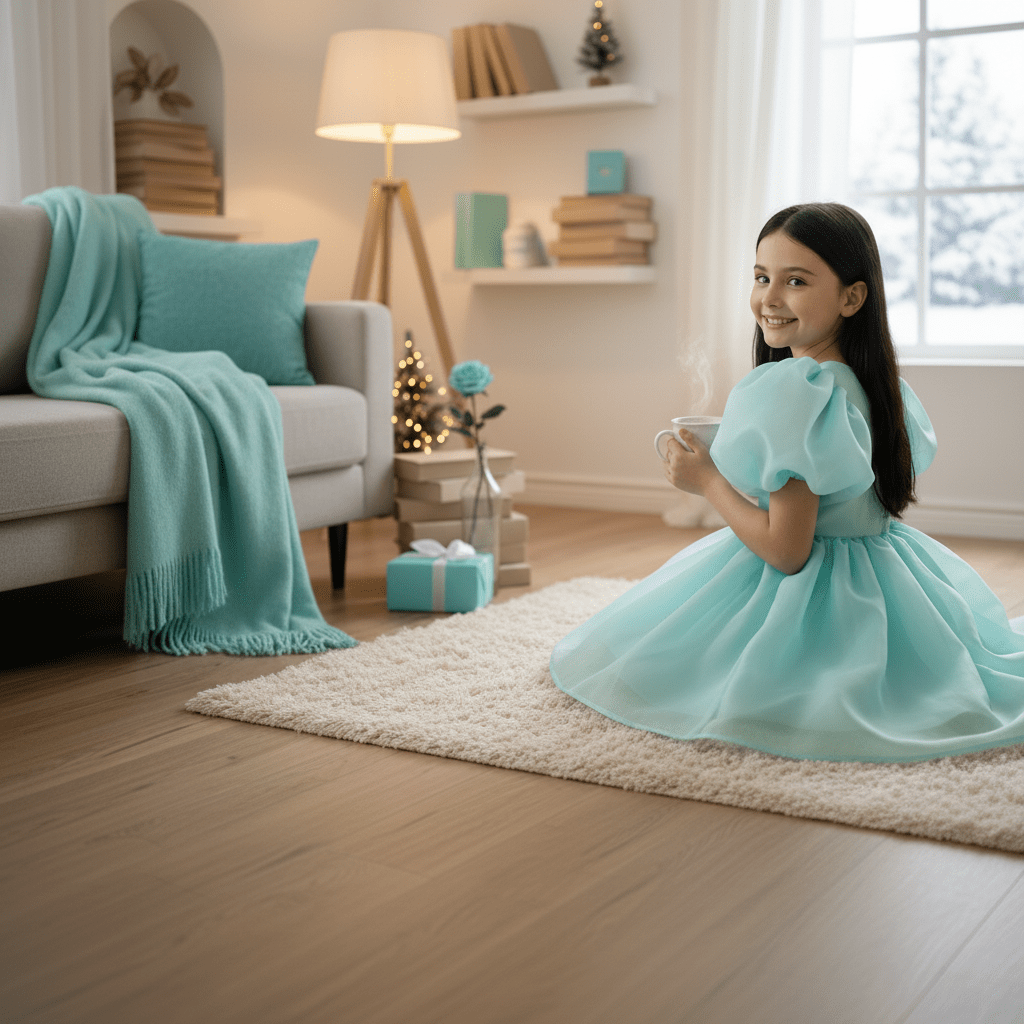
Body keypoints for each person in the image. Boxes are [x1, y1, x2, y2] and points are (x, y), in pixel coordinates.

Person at [549, 203, 1024, 763]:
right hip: (881, 574)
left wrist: (707, 480)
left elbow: (787, 551)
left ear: (852, 297)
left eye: (796, 281)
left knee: (653, 659)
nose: (769, 298)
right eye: (761, 277)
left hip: (818, 590)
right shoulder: (874, 383)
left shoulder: (794, 391)